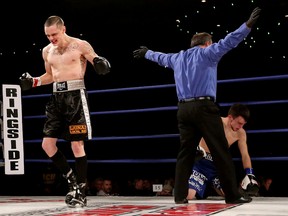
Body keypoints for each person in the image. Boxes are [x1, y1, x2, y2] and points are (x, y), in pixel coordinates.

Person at [133, 7, 261, 204]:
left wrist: (147, 52)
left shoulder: (178, 57)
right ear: (207, 43)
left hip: (183, 110)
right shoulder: (208, 53)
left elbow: (160, 57)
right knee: (221, 150)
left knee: (185, 152)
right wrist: (247, 26)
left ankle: (179, 195)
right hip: (204, 108)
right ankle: (232, 195)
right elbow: (230, 41)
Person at [19, 15, 111, 207]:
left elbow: (96, 60)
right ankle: (72, 180)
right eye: (48, 35)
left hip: (75, 97)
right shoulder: (46, 51)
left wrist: (101, 63)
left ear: (63, 29)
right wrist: (34, 81)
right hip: (56, 99)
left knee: (77, 145)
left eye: (54, 34)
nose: (51, 38)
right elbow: (50, 76)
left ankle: (82, 191)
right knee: (47, 145)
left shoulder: (80, 45)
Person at [187, 104, 259, 200]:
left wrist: (250, 173)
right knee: (189, 195)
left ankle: (207, 188)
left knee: (230, 194)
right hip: (201, 164)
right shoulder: (215, 122)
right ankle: (193, 187)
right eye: (239, 123)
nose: (241, 126)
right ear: (230, 118)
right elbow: (194, 130)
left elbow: (245, 154)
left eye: (243, 124)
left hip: (218, 167)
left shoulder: (240, 133)